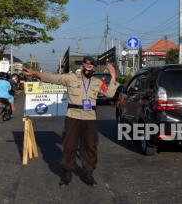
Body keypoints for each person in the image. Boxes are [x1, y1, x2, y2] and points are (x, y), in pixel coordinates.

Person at [23, 56, 119, 187]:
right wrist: (35, 73)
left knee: (90, 146)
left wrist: (113, 76)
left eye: (92, 67)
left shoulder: (97, 82)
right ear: (82, 66)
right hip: (73, 117)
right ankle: (67, 174)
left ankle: (89, 173)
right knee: (69, 146)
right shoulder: (71, 78)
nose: (90, 69)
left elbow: (109, 94)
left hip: (90, 118)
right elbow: (53, 78)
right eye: (88, 66)